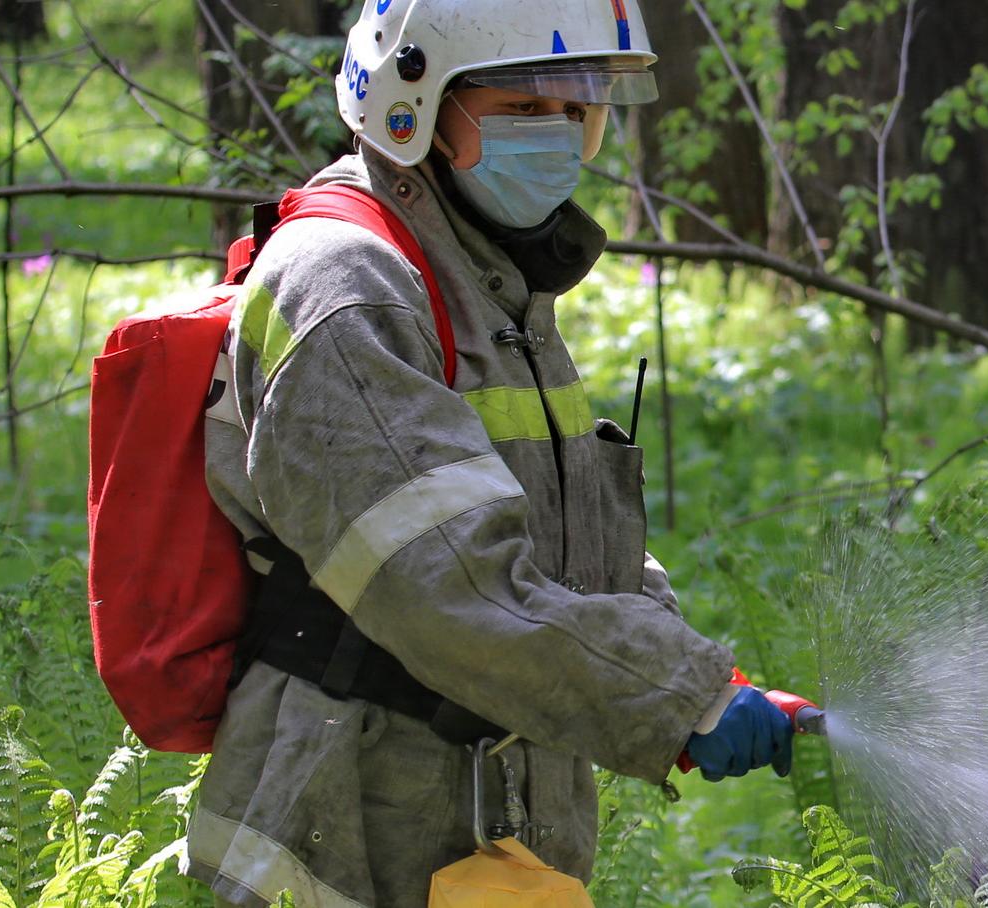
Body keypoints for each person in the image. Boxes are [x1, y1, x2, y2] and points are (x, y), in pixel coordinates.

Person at [186, 1, 796, 904]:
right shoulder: (345, 289)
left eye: (578, 106)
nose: (557, 133)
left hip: (479, 822)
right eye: (522, 108)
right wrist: (676, 697)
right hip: (347, 837)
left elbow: (555, 543)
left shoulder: (489, 279)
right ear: (412, 105)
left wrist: (687, 666)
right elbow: (447, 584)